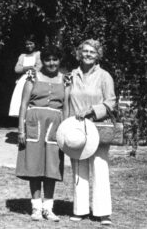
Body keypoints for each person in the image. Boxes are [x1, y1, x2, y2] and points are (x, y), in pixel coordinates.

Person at [64, 39, 116, 226]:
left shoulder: (104, 76)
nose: (87, 55)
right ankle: (80, 210)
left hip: (97, 126)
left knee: (100, 168)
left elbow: (111, 102)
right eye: (84, 51)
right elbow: (66, 100)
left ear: (98, 55)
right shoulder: (71, 75)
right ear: (79, 54)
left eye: (92, 52)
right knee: (79, 168)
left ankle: (103, 213)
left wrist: (91, 110)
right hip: (77, 128)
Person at [15, 45, 65, 221]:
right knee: (34, 166)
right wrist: (21, 128)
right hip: (34, 123)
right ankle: (36, 207)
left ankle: (48, 208)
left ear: (60, 61)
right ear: (42, 61)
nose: (51, 63)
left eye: (55, 59)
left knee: (52, 167)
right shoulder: (32, 76)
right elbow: (23, 104)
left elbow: (66, 107)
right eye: (48, 59)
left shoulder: (66, 80)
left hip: (55, 126)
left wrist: (66, 132)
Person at [8, 34, 42, 117]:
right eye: (27, 44)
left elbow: (38, 67)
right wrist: (28, 68)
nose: (29, 46)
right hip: (23, 80)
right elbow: (17, 69)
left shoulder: (38, 54)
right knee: (21, 99)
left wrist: (29, 69)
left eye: (31, 43)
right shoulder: (22, 56)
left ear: (35, 44)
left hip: (34, 78)